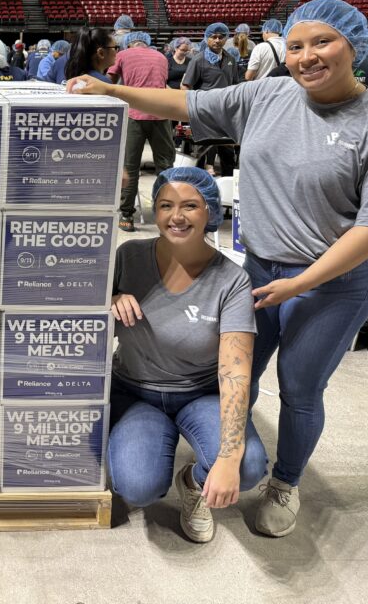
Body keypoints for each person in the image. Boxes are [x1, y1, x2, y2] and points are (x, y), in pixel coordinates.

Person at [69, 0, 368, 537]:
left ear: (355, 44)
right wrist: (112, 89)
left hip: (333, 283)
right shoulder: (269, 94)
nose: (307, 57)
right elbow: (185, 104)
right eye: (297, 45)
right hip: (262, 268)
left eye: (322, 43)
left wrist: (302, 282)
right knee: (237, 378)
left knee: (301, 386)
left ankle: (285, 482)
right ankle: (213, 467)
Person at [108, 167, 268, 542]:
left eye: (190, 206)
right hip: (134, 392)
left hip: (199, 393)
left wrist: (227, 460)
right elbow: (82, 318)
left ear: (211, 212)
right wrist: (110, 301)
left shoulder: (231, 279)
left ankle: (193, 483)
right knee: (137, 487)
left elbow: (235, 370)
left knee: (246, 468)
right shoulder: (128, 256)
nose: (176, 217)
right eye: (165, 205)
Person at [108, 32, 174, 232]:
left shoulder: (123, 55)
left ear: (128, 44)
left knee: (130, 166)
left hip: (135, 115)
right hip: (161, 114)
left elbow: (110, 81)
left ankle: (126, 215)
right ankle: (167, 213)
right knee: (165, 166)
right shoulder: (162, 56)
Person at [181, 23, 241, 176]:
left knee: (227, 152)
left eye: (221, 37)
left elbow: (234, 85)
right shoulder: (198, 60)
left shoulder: (230, 59)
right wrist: (192, 110)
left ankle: (228, 184)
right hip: (204, 113)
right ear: (207, 39)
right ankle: (198, 184)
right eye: (213, 37)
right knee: (201, 151)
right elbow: (186, 86)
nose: (217, 40)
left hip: (226, 113)